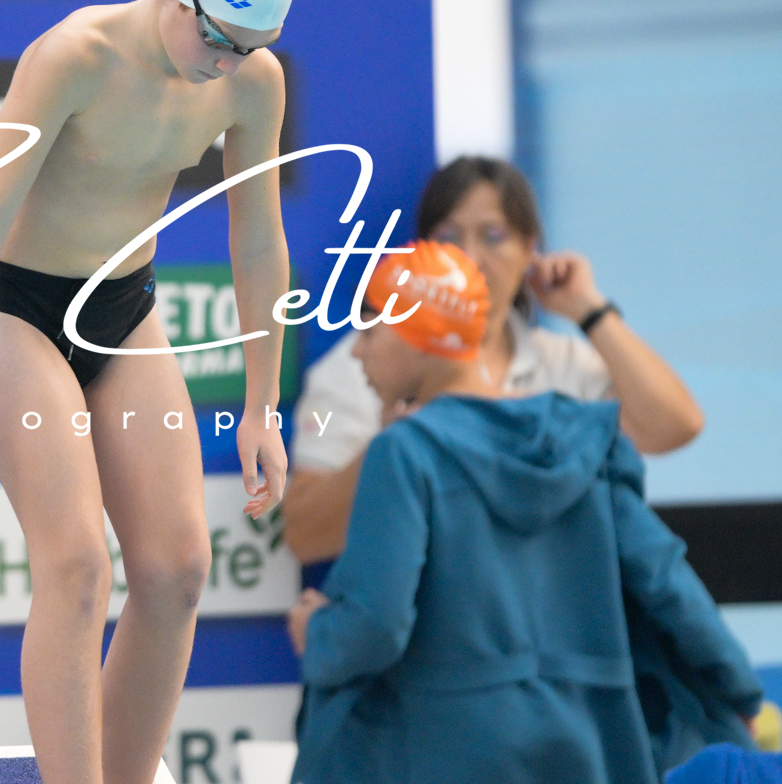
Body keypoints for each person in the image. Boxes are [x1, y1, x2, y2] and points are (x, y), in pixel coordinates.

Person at [0, 0, 302, 784]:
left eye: (249, 45)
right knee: (74, 567)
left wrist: (262, 405)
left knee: (179, 570)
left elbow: (258, 238)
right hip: (16, 312)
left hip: (123, 309)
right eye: (218, 38)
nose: (226, 64)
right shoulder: (74, 56)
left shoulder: (250, 80)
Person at [287, 240, 761, 784]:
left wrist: (319, 630)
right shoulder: (587, 436)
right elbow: (666, 580)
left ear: (417, 337)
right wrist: (737, 691)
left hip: (453, 750)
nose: (356, 351)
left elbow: (377, 626)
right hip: (595, 743)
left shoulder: (405, 452)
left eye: (370, 329)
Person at [284, 156, 705, 565]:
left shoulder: (561, 363)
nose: (469, 256)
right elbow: (303, 536)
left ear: (529, 249)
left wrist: (588, 309)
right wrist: (393, 450)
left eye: (493, 235)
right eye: (449, 237)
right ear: (421, 251)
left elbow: (674, 426)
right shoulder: (363, 365)